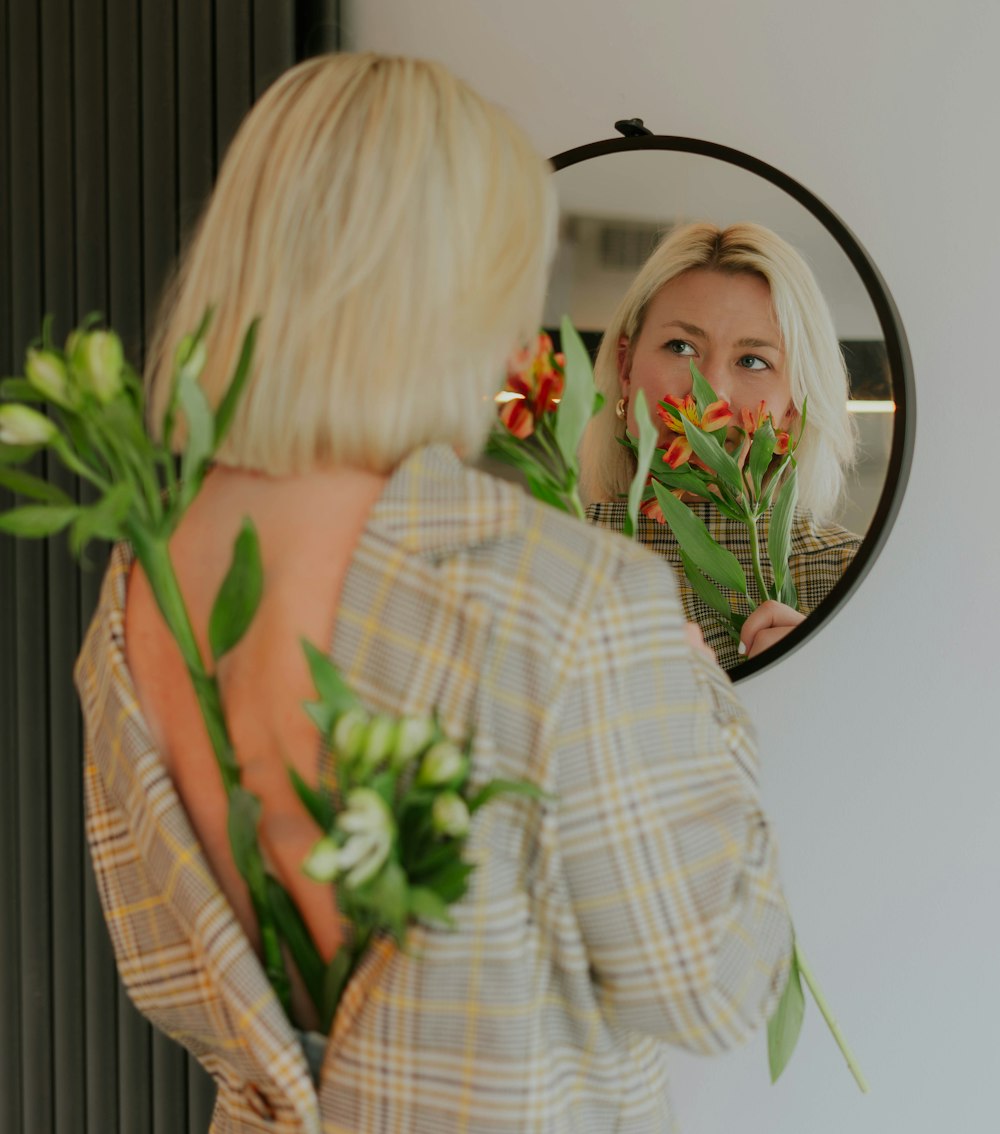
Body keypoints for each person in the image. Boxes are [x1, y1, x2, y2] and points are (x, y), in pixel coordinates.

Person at [74, 54, 790, 1131]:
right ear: (470, 283)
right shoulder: (559, 594)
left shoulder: (140, 583)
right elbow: (711, 987)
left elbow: (179, 978)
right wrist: (706, 703)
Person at [580, 221, 861, 671]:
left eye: (753, 361)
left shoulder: (856, 579)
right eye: (681, 347)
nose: (710, 393)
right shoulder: (532, 562)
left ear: (794, 405)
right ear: (626, 367)